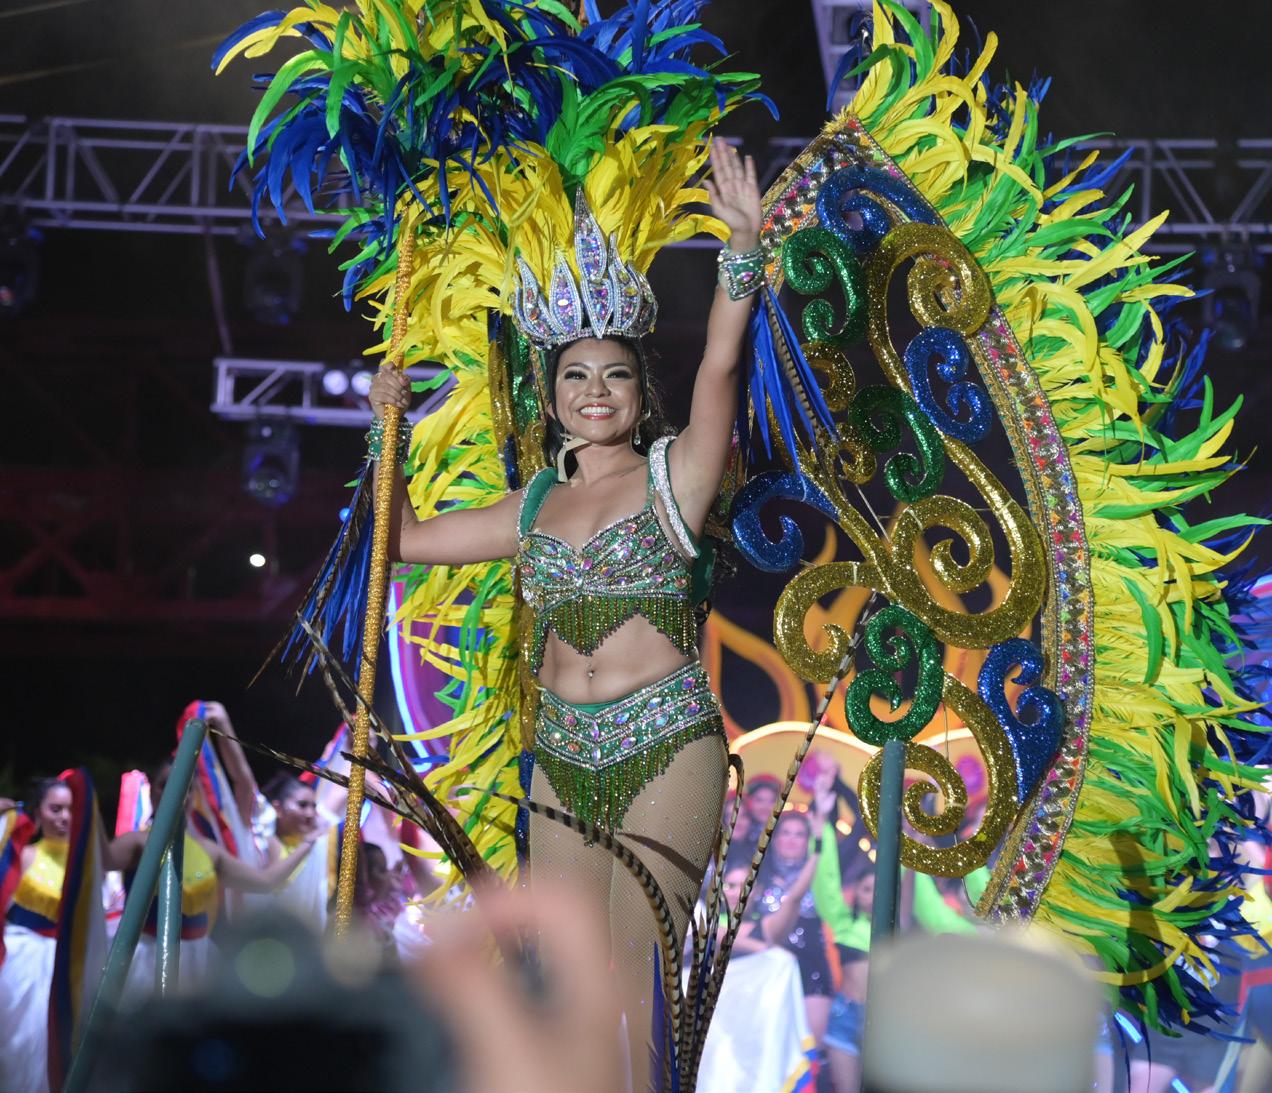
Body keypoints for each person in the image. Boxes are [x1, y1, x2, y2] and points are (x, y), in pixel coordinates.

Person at [368, 136, 763, 1090]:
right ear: (549, 397)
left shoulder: (677, 475)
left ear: (639, 391)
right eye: (576, 376)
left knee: (637, 971)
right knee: (568, 985)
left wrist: (742, 252)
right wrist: (388, 428)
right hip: (560, 753)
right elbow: (403, 539)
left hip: (666, 742)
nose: (595, 392)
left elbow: (719, 367)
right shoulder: (533, 504)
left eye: (615, 375)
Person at [106, 756, 319, 1000]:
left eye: (187, 787)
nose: (178, 794)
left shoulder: (208, 850)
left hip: (198, 957)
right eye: (166, 785)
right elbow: (99, 860)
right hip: (147, 957)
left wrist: (307, 844)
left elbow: (266, 882)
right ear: (152, 791)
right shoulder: (136, 842)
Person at [0, 773, 105, 1093]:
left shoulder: (92, 866)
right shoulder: (23, 855)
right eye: (55, 809)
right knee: (23, 1041)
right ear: (38, 812)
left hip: (71, 960)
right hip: (24, 962)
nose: (64, 818)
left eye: (71, 810)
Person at [742, 805, 833, 1075]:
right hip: (766, 972)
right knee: (768, 1051)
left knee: (810, 1055)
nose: (792, 840)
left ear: (808, 842)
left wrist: (823, 826)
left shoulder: (820, 878)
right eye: (786, 833)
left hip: (812, 971)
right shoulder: (757, 875)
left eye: (799, 834)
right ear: (775, 839)